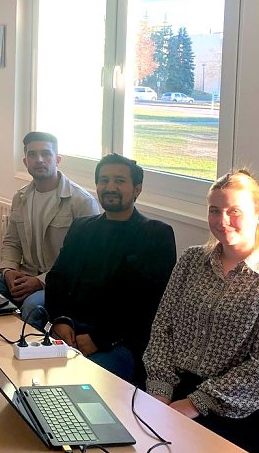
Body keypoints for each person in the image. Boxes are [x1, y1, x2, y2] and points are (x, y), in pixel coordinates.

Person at [142, 170, 259, 453]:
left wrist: (194, 404)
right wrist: (159, 390)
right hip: (174, 388)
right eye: (214, 210)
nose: (222, 220)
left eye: (234, 211)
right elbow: (162, 328)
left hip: (240, 406)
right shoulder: (191, 260)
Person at [45, 153, 176, 383]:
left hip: (120, 342)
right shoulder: (82, 228)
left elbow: (151, 304)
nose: (110, 187)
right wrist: (60, 320)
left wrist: (100, 338)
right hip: (71, 330)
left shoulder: (156, 235)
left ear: (137, 189)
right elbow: (57, 277)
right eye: (104, 180)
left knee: (71, 382)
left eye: (120, 180)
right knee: (28, 369)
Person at [0, 132, 99, 328]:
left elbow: (84, 261)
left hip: (58, 283)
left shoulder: (81, 202)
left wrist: (40, 281)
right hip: (22, 274)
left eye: (46, 154)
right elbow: (11, 242)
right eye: (32, 154)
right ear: (25, 161)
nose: (39, 160)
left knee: (32, 307)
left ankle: (21, 354)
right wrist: (8, 271)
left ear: (58, 159)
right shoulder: (20, 197)